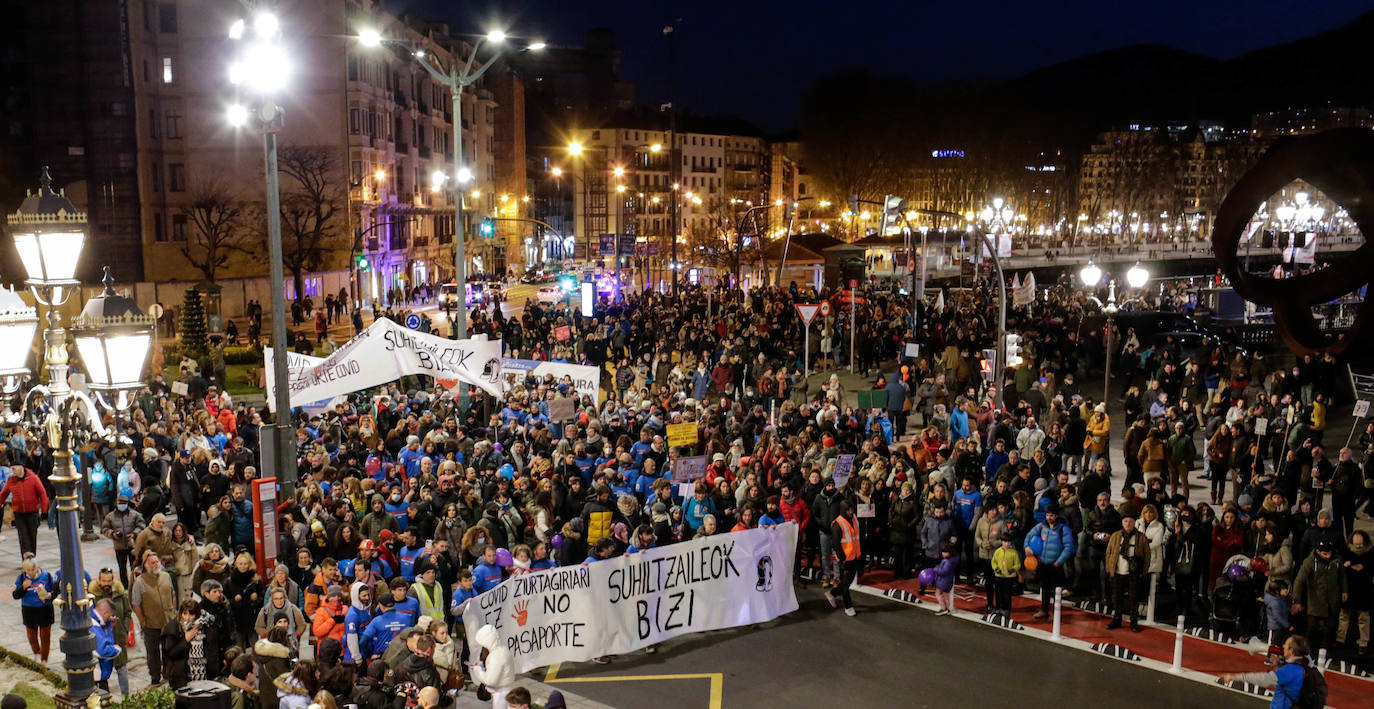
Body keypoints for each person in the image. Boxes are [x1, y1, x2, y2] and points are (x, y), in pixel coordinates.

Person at [1221, 634, 1325, 709]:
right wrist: (1278, 665)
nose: (1283, 646)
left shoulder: (1290, 670)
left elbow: (1264, 679)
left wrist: (1235, 677)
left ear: (1291, 651)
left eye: (1286, 644)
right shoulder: (1302, 667)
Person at [1291, 539, 1347, 651]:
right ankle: (1307, 652)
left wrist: (1345, 590)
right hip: (1315, 600)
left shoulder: (1337, 559)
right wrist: (1296, 600)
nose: (1328, 556)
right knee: (1311, 628)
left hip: (1332, 600)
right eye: (1325, 554)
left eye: (1330, 553)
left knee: (1330, 628)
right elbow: (1299, 580)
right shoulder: (1310, 561)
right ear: (1318, 551)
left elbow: (1342, 576)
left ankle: (1325, 651)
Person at [131, 551, 177, 685]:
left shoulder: (166, 576)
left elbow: (173, 594)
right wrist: (142, 621)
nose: (155, 564)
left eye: (157, 562)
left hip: (168, 621)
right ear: (145, 565)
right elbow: (136, 604)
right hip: (151, 623)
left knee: (169, 649)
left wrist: (173, 612)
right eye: (152, 562)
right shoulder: (140, 581)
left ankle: (168, 674)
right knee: (153, 652)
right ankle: (155, 676)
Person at [89, 568, 134, 698]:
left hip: (118, 638)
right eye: (104, 581)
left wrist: (124, 629)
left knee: (122, 670)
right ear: (99, 580)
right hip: (102, 641)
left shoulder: (120, 594)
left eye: (109, 581)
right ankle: (105, 698)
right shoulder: (93, 597)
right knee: (103, 674)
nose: (106, 584)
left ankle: (126, 698)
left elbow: (128, 612)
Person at [1026, 503, 1076, 620]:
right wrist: (1027, 547)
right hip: (1043, 563)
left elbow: (1069, 547)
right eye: (1047, 515)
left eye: (1052, 515)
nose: (1049, 518)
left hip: (1055, 565)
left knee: (1056, 590)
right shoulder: (1041, 527)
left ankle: (1055, 612)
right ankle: (1044, 610)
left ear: (1057, 516)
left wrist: (1059, 561)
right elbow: (1029, 535)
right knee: (1045, 588)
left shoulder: (1063, 529)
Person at [1104, 513, 1150, 632]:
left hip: (1133, 573)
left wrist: (1143, 571)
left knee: (1134, 598)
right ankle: (1117, 619)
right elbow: (1109, 553)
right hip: (1117, 571)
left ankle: (1133, 622)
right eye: (1125, 521)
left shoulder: (1141, 537)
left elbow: (1147, 556)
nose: (1128, 524)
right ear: (1122, 523)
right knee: (1116, 597)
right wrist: (1109, 568)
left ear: (1134, 523)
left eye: (1130, 521)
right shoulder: (1116, 536)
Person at [0, 464, 49, 560]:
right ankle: (26, 560)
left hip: (32, 513)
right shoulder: (11, 480)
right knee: (23, 537)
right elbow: (3, 495)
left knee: (32, 536)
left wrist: (44, 511)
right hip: (19, 514)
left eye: (14, 468)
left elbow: (42, 493)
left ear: (20, 467)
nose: (12, 471)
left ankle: (32, 559)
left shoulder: (33, 478)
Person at [12, 554, 54, 663]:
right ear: (24, 569)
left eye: (33, 569)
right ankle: (37, 653)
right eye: (28, 570)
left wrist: (49, 595)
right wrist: (23, 587)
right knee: (32, 636)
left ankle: (44, 660)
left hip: (45, 609)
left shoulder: (47, 576)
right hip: (29, 610)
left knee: (45, 636)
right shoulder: (21, 578)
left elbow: (54, 591)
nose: (31, 572)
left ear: (37, 567)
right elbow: (15, 595)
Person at [101, 486, 146, 587]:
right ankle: (125, 586)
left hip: (132, 545)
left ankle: (136, 585)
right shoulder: (110, 516)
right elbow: (104, 529)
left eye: (124, 503)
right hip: (119, 546)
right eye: (120, 503)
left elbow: (142, 525)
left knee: (135, 566)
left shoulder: (134, 514)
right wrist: (112, 534)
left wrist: (134, 534)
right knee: (122, 568)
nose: (122, 505)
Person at [825, 501, 861, 617]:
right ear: (843, 510)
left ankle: (832, 593)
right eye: (848, 510)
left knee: (847, 582)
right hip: (845, 559)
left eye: (852, 509)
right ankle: (848, 606)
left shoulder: (854, 518)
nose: (851, 512)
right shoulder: (838, 524)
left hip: (855, 556)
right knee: (845, 584)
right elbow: (835, 544)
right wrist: (842, 559)